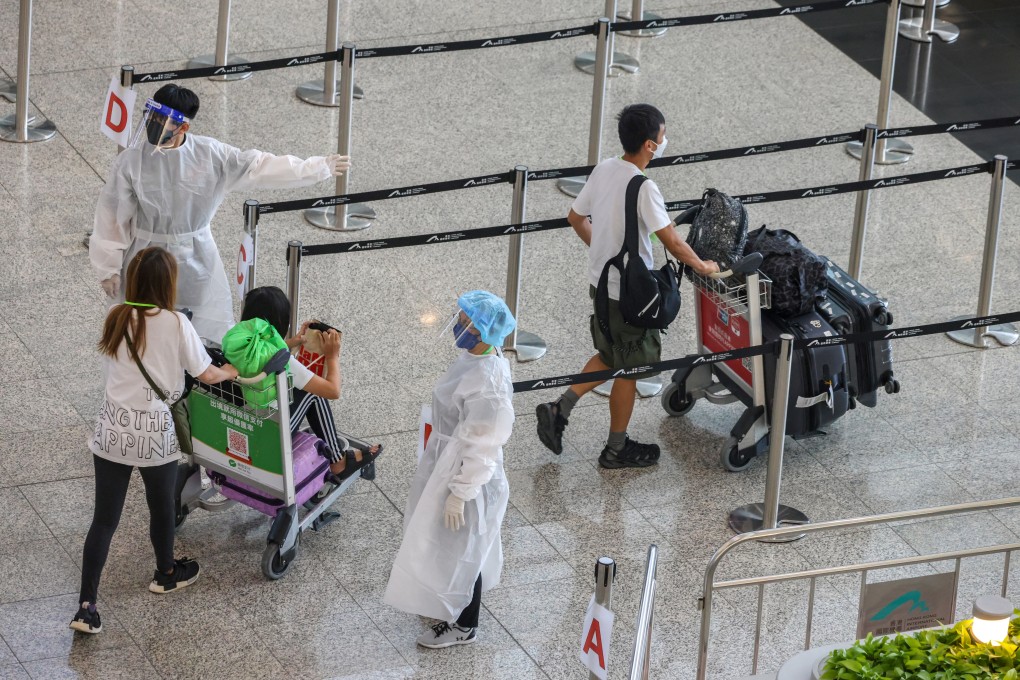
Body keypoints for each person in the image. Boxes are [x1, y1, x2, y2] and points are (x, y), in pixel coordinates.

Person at [89, 83, 352, 344]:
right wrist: (108, 267)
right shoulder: (131, 161)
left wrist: (317, 167)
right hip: (146, 258)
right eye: (153, 116)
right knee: (142, 331)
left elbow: (261, 166)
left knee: (200, 332)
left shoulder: (210, 154)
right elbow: (112, 215)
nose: (154, 124)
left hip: (194, 257)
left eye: (163, 120)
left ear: (183, 127)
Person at [535, 104, 719, 469]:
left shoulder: (605, 168)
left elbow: (575, 217)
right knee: (629, 370)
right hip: (629, 297)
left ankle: (559, 409)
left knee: (610, 355)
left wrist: (605, 254)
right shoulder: (644, 187)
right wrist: (703, 266)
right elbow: (671, 241)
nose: (665, 141)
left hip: (601, 286)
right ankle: (616, 449)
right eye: (663, 136)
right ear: (650, 145)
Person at [71, 247, 239, 635]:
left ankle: (86, 606)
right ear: (168, 284)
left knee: (104, 520)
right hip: (153, 430)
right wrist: (232, 370)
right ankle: (165, 573)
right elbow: (206, 374)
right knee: (161, 506)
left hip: (112, 427)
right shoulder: (176, 322)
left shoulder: (116, 316)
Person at [383, 291, 516, 649]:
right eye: (460, 318)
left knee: (464, 548)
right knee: (447, 543)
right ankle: (444, 602)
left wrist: (461, 492)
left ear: (484, 331)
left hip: (467, 476)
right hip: (448, 462)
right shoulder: (475, 360)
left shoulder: (489, 386)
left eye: (466, 322)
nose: (458, 325)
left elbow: (484, 447)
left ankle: (464, 625)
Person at [235, 286, 381, 480]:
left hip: (241, 428)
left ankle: (336, 457)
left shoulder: (235, 346)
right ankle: (338, 462)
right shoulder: (284, 362)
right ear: (281, 324)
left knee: (304, 389)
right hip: (268, 439)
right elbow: (333, 391)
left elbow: (266, 350)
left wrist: (291, 342)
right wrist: (332, 356)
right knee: (312, 392)